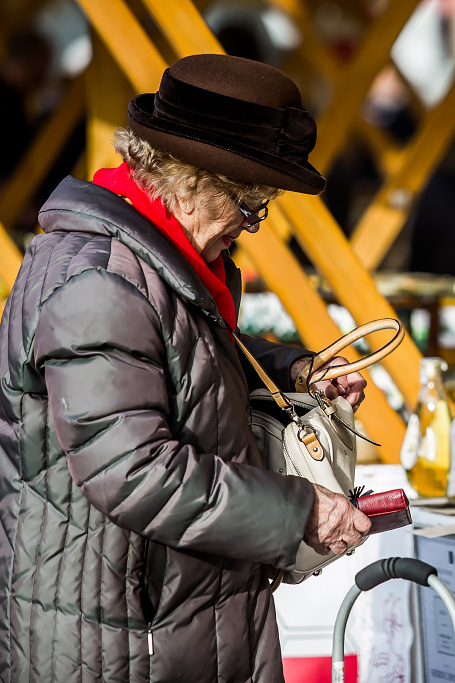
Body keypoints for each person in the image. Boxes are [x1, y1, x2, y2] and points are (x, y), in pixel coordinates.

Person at [0, 54, 373, 682]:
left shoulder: (145, 264)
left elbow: (183, 352)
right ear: (190, 181)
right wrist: (298, 512)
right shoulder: (98, 281)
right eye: (249, 204)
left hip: (163, 624)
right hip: (119, 641)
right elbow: (132, 470)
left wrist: (293, 369)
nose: (251, 227)